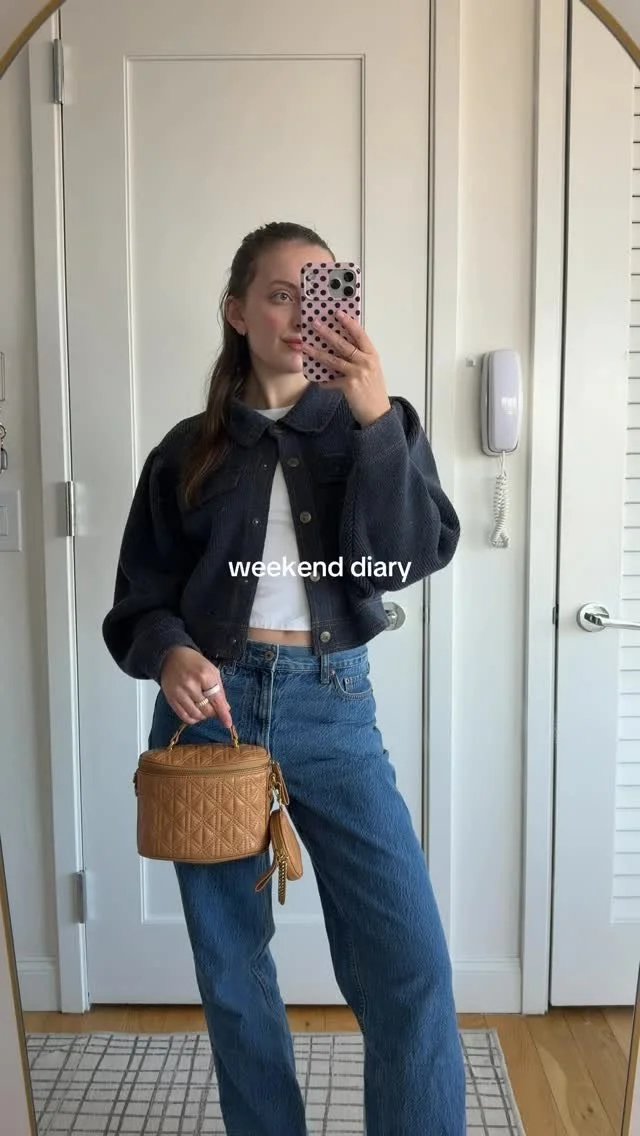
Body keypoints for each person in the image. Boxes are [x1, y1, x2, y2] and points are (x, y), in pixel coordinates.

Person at [103, 221, 466, 1135]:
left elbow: (406, 559)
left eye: (323, 293)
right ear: (238, 312)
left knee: (410, 965)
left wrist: (376, 420)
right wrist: (170, 651)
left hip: (333, 707)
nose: (304, 314)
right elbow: (139, 601)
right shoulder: (185, 450)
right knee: (233, 974)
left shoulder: (376, 424)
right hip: (209, 718)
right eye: (280, 294)